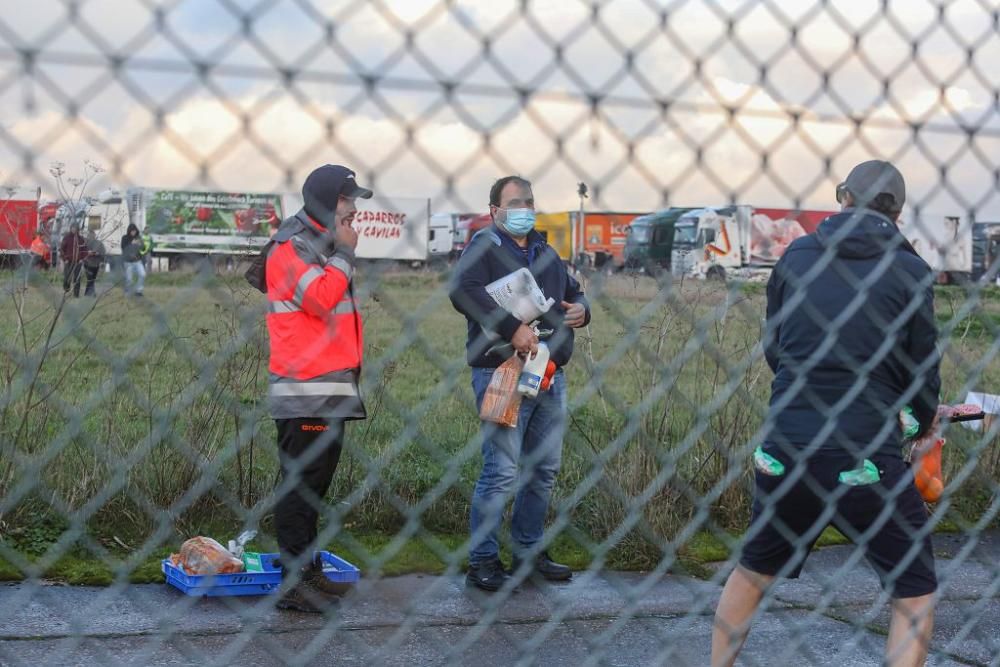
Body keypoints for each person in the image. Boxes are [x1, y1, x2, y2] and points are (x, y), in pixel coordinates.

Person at [712, 161, 941, 667]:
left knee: (752, 572)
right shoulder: (909, 271)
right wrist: (921, 421)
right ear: (898, 213)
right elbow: (923, 375)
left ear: (842, 197)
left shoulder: (796, 255)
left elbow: (776, 349)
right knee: (915, 590)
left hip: (786, 446)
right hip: (864, 453)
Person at [449, 175, 591, 592]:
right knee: (501, 471)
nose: (523, 208)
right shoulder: (485, 247)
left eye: (528, 200)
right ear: (494, 211)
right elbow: (461, 291)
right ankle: (483, 560)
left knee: (542, 470)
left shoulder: (546, 251)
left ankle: (528, 553)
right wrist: (511, 327)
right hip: (504, 372)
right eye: (513, 203)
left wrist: (583, 309)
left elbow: (574, 292)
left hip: (549, 374)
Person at [265, 164, 371, 613]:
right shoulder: (291, 247)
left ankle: (306, 572)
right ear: (328, 203)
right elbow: (321, 298)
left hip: (329, 388)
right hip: (304, 391)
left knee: (314, 489)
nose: (354, 211)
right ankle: (295, 585)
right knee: (300, 488)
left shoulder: (320, 245)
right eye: (348, 202)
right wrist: (346, 253)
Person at [60, 223, 89, 297]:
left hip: (78, 262)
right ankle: (66, 290)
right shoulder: (66, 238)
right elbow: (61, 249)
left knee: (77, 279)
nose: (74, 229)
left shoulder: (81, 239)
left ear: (77, 229)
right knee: (67, 277)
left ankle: (76, 295)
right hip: (68, 261)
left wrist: (82, 259)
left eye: (75, 228)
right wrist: (65, 259)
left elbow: (84, 250)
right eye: (72, 228)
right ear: (71, 228)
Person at [121, 223, 145, 296]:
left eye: (134, 231)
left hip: (138, 261)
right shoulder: (124, 238)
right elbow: (123, 248)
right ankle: (127, 292)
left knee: (142, 274)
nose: (133, 232)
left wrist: (140, 244)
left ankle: (139, 291)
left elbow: (143, 248)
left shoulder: (138, 237)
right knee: (129, 279)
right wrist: (132, 243)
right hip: (128, 262)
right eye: (132, 231)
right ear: (129, 231)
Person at [83, 230, 106, 297]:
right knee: (90, 278)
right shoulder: (85, 243)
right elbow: (82, 252)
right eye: (90, 235)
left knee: (92, 279)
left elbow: (103, 252)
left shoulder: (99, 243)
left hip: (96, 264)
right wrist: (87, 252)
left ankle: (88, 293)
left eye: (93, 235)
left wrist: (97, 253)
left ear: (95, 236)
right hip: (87, 263)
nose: (91, 237)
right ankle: (90, 294)